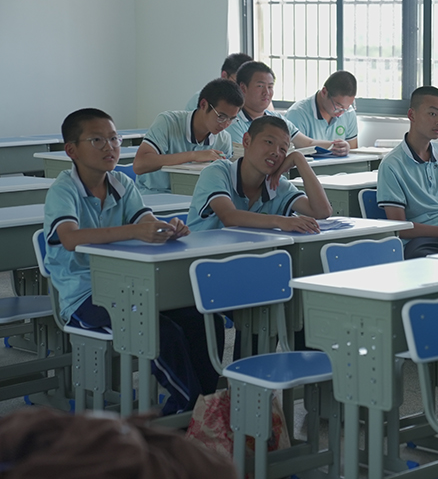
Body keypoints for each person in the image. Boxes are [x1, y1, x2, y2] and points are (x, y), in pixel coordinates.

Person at [44, 108, 223, 415]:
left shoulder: (121, 184)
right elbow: (71, 238)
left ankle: (203, 405)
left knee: (203, 318)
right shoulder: (64, 189)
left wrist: (169, 229)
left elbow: (146, 221)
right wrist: (135, 231)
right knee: (158, 330)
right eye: (97, 140)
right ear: (71, 150)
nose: (110, 147)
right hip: (85, 296)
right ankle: (192, 410)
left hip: (131, 285)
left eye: (114, 139)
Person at [186, 114, 332, 233]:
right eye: (269, 142)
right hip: (200, 256)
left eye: (283, 149)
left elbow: (322, 212)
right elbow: (229, 216)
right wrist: (280, 221)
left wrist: (299, 160)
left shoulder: (276, 185)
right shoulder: (217, 172)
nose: (276, 152)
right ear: (246, 141)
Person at [376, 86, 438, 259]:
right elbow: (399, 227)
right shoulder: (392, 164)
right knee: (423, 258)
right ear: (412, 115)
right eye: (432, 114)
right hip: (424, 239)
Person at [133, 78, 243, 194]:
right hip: (153, 195)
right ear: (203, 104)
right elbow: (139, 165)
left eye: (231, 119)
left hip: (194, 197)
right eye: (221, 116)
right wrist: (193, 155)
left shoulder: (224, 139)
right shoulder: (168, 122)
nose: (225, 124)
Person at [226, 61, 341, 155]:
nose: (266, 92)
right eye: (260, 86)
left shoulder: (276, 119)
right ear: (243, 88)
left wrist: (337, 146)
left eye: (270, 87)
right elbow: (246, 159)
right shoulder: (233, 122)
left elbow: (307, 143)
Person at [284, 70, 359, 156]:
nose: (342, 112)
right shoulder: (297, 114)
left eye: (347, 107)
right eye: (338, 106)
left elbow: (353, 153)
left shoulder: (348, 112)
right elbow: (292, 155)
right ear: (324, 92)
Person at [184, 52, 255, 111]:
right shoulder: (203, 98)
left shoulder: (250, 102)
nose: (243, 88)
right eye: (238, 82)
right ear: (224, 76)